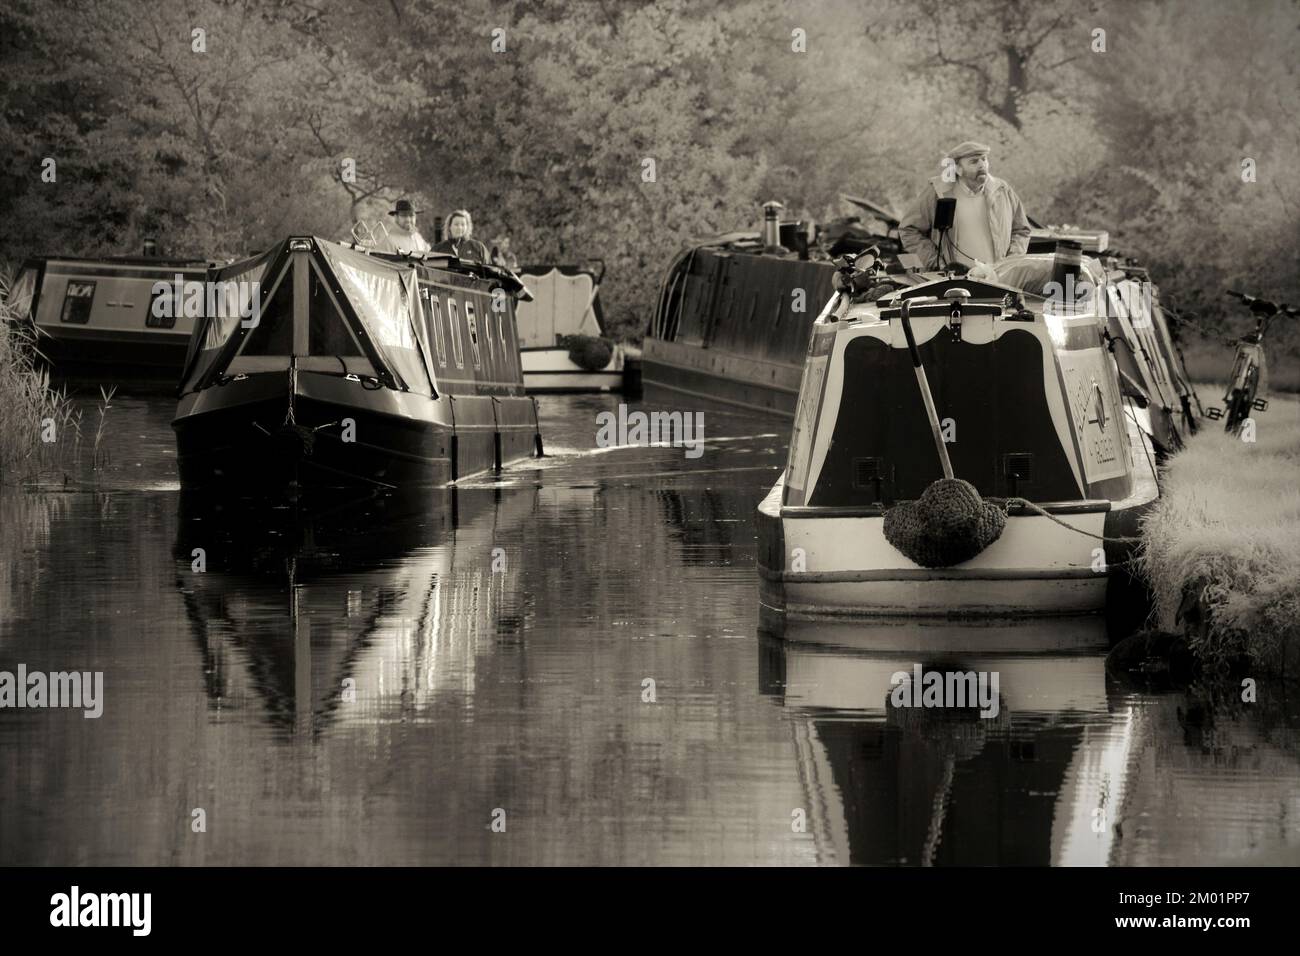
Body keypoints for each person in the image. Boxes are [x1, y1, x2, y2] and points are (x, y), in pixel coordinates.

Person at [898, 141, 1030, 281]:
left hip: (998, 279)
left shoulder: (1003, 190)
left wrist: (1011, 263)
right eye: (974, 162)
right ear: (958, 169)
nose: (982, 165)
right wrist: (936, 263)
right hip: (955, 281)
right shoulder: (938, 192)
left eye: (984, 159)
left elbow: (1021, 230)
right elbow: (909, 230)